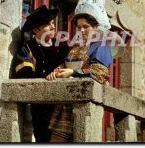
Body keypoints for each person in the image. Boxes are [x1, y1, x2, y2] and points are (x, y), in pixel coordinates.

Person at [46, 12, 113, 142]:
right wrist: (58, 71)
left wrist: (72, 72)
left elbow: (101, 73)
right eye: (78, 27)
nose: (81, 30)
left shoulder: (101, 46)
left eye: (86, 26)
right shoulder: (75, 48)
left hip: (84, 102)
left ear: (96, 28)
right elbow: (66, 65)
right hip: (66, 101)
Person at [10, 5, 69, 142]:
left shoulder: (61, 47)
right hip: (41, 106)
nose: (53, 27)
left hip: (63, 104)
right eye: (48, 25)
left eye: (53, 23)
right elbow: (25, 75)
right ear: (36, 30)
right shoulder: (27, 48)